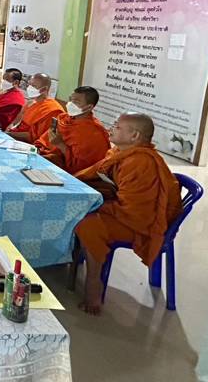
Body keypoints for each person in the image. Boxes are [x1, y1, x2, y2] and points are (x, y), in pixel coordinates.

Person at [73, 113, 183, 315]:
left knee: (86, 224)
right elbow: (94, 171)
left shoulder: (140, 162)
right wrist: (71, 181)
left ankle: (93, 284)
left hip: (139, 224)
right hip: (123, 211)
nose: (112, 128)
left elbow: (135, 211)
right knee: (78, 210)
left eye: (118, 127)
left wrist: (98, 205)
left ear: (135, 136)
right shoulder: (119, 153)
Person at [34, 86, 111, 173]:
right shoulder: (63, 118)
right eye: (70, 99)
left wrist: (60, 145)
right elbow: (42, 142)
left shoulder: (94, 132)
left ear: (89, 107)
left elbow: (80, 168)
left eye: (76, 102)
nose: (70, 104)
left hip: (71, 174)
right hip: (47, 162)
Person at [7, 73, 65, 142]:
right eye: (29, 84)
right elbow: (16, 121)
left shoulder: (53, 110)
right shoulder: (30, 103)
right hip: (14, 136)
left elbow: (36, 136)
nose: (29, 88)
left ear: (44, 89)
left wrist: (10, 134)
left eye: (33, 86)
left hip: (29, 144)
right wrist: (9, 128)